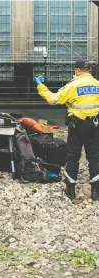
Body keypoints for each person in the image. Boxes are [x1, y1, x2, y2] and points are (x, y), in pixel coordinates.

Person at [34, 59, 99, 201]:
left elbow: (53, 99)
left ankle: (70, 190)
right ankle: (96, 192)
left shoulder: (73, 85)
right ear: (89, 70)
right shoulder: (97, 84)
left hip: (77, 126)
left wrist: (40, 86)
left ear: (77, 70)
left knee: (73, 156)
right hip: (95, 125)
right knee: (94, 157)